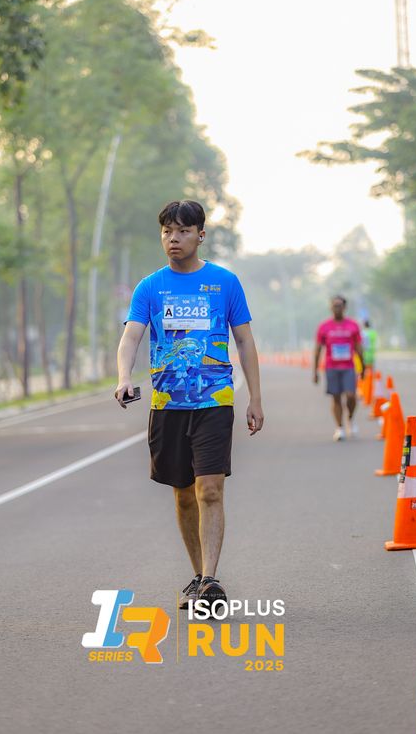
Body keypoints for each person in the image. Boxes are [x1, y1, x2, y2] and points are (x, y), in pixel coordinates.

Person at [115, 200, 264, 610]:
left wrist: (255, 398)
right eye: (167, 231)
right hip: (168, 406)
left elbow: (244, 340)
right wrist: (124, 377)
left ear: (200, 235)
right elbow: (131, 337)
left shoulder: (224, 282)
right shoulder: (150, 287)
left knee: (210, 489)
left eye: (182, 231)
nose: (174, 238)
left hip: (214, 402)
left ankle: (211, 578)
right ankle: (199, 577)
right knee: (183, 495)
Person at [313, 295, 365, 441]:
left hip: (348, 367)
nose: (337, 308)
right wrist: (315, 371)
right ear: (330, 307)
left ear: (344, 307)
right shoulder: (324, 326)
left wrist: (363, 368)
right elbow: (318, 350)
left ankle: (350, 419)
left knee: (351, 396)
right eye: (334, 305)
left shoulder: (353, 325)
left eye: (340, 305)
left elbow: (359, 347)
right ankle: (339, 428)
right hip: (331, 367)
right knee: (336, 398)